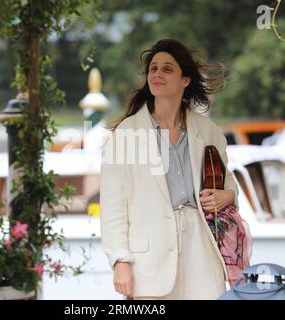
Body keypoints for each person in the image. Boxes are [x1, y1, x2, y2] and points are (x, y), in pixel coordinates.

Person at [100, 39, 239, 300]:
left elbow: (229, 183)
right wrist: (120, 260)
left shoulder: (208, 131)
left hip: (201, 249)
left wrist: (228, 195)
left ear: (184, 80)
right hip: (148, 261)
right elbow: (113, 206)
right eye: (153, 69)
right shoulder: (126, 134)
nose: (157, 74)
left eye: (167, 69)